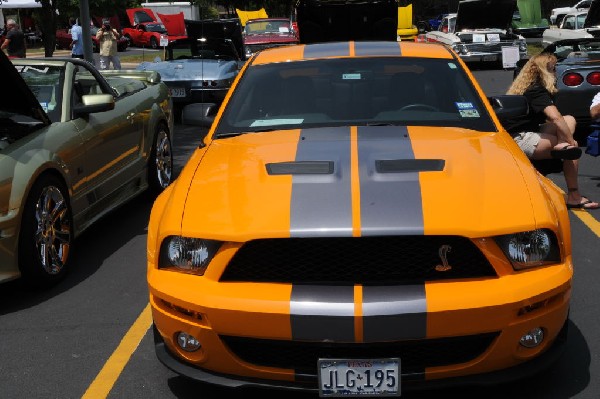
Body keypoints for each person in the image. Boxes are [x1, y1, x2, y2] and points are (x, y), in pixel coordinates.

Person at [504, 52, 599, 210]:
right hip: (519, 139)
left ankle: (561, 147)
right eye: (553, 69)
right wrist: (569, 142)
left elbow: (561, 120)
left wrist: (563, 139)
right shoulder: (536, 89)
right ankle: (574, 196)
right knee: (571, 149)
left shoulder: (529, 86)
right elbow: (555, 117)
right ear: (544, 71)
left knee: (569, 119)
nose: (556, 73)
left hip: (526, 131)